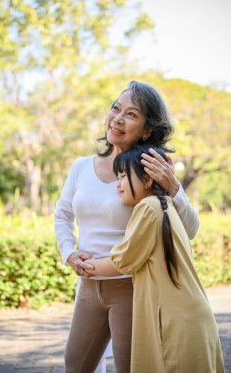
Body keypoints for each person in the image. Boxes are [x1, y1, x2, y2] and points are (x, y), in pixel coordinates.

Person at [54, 81, 199, 373]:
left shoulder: (150, 169)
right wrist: (69, 253)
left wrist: (173, 187)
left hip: (133, 289)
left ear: (147, 129)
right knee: (75, 365)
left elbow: (190, 229)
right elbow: (62, 215)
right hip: (88, 287)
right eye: (115, 108)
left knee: (131, 368)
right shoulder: (81, 166)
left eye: (131, 114)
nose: (118, 118)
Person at [85, 144, 225, 373]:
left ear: (148, 180)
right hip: (189, 316)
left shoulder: (148, 208)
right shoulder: (165, 204)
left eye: (122, 177)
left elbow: (123, 261)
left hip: (175, 321)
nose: (117, 184)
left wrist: (85, 266)